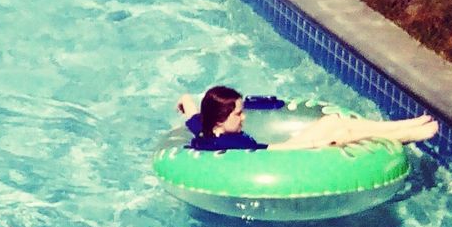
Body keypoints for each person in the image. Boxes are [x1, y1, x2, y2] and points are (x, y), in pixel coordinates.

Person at [185, 86, 438, 153]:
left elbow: (192, 114)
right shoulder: (221, 145)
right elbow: (276, 152)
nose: (244, 117)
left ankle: (404, 124)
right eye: (238, 113)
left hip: (281, 147)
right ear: (219, 119)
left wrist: (185, 101)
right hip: (282, 153)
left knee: (335, 120)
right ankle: (408, 134)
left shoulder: (206, 129)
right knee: (339, 133)